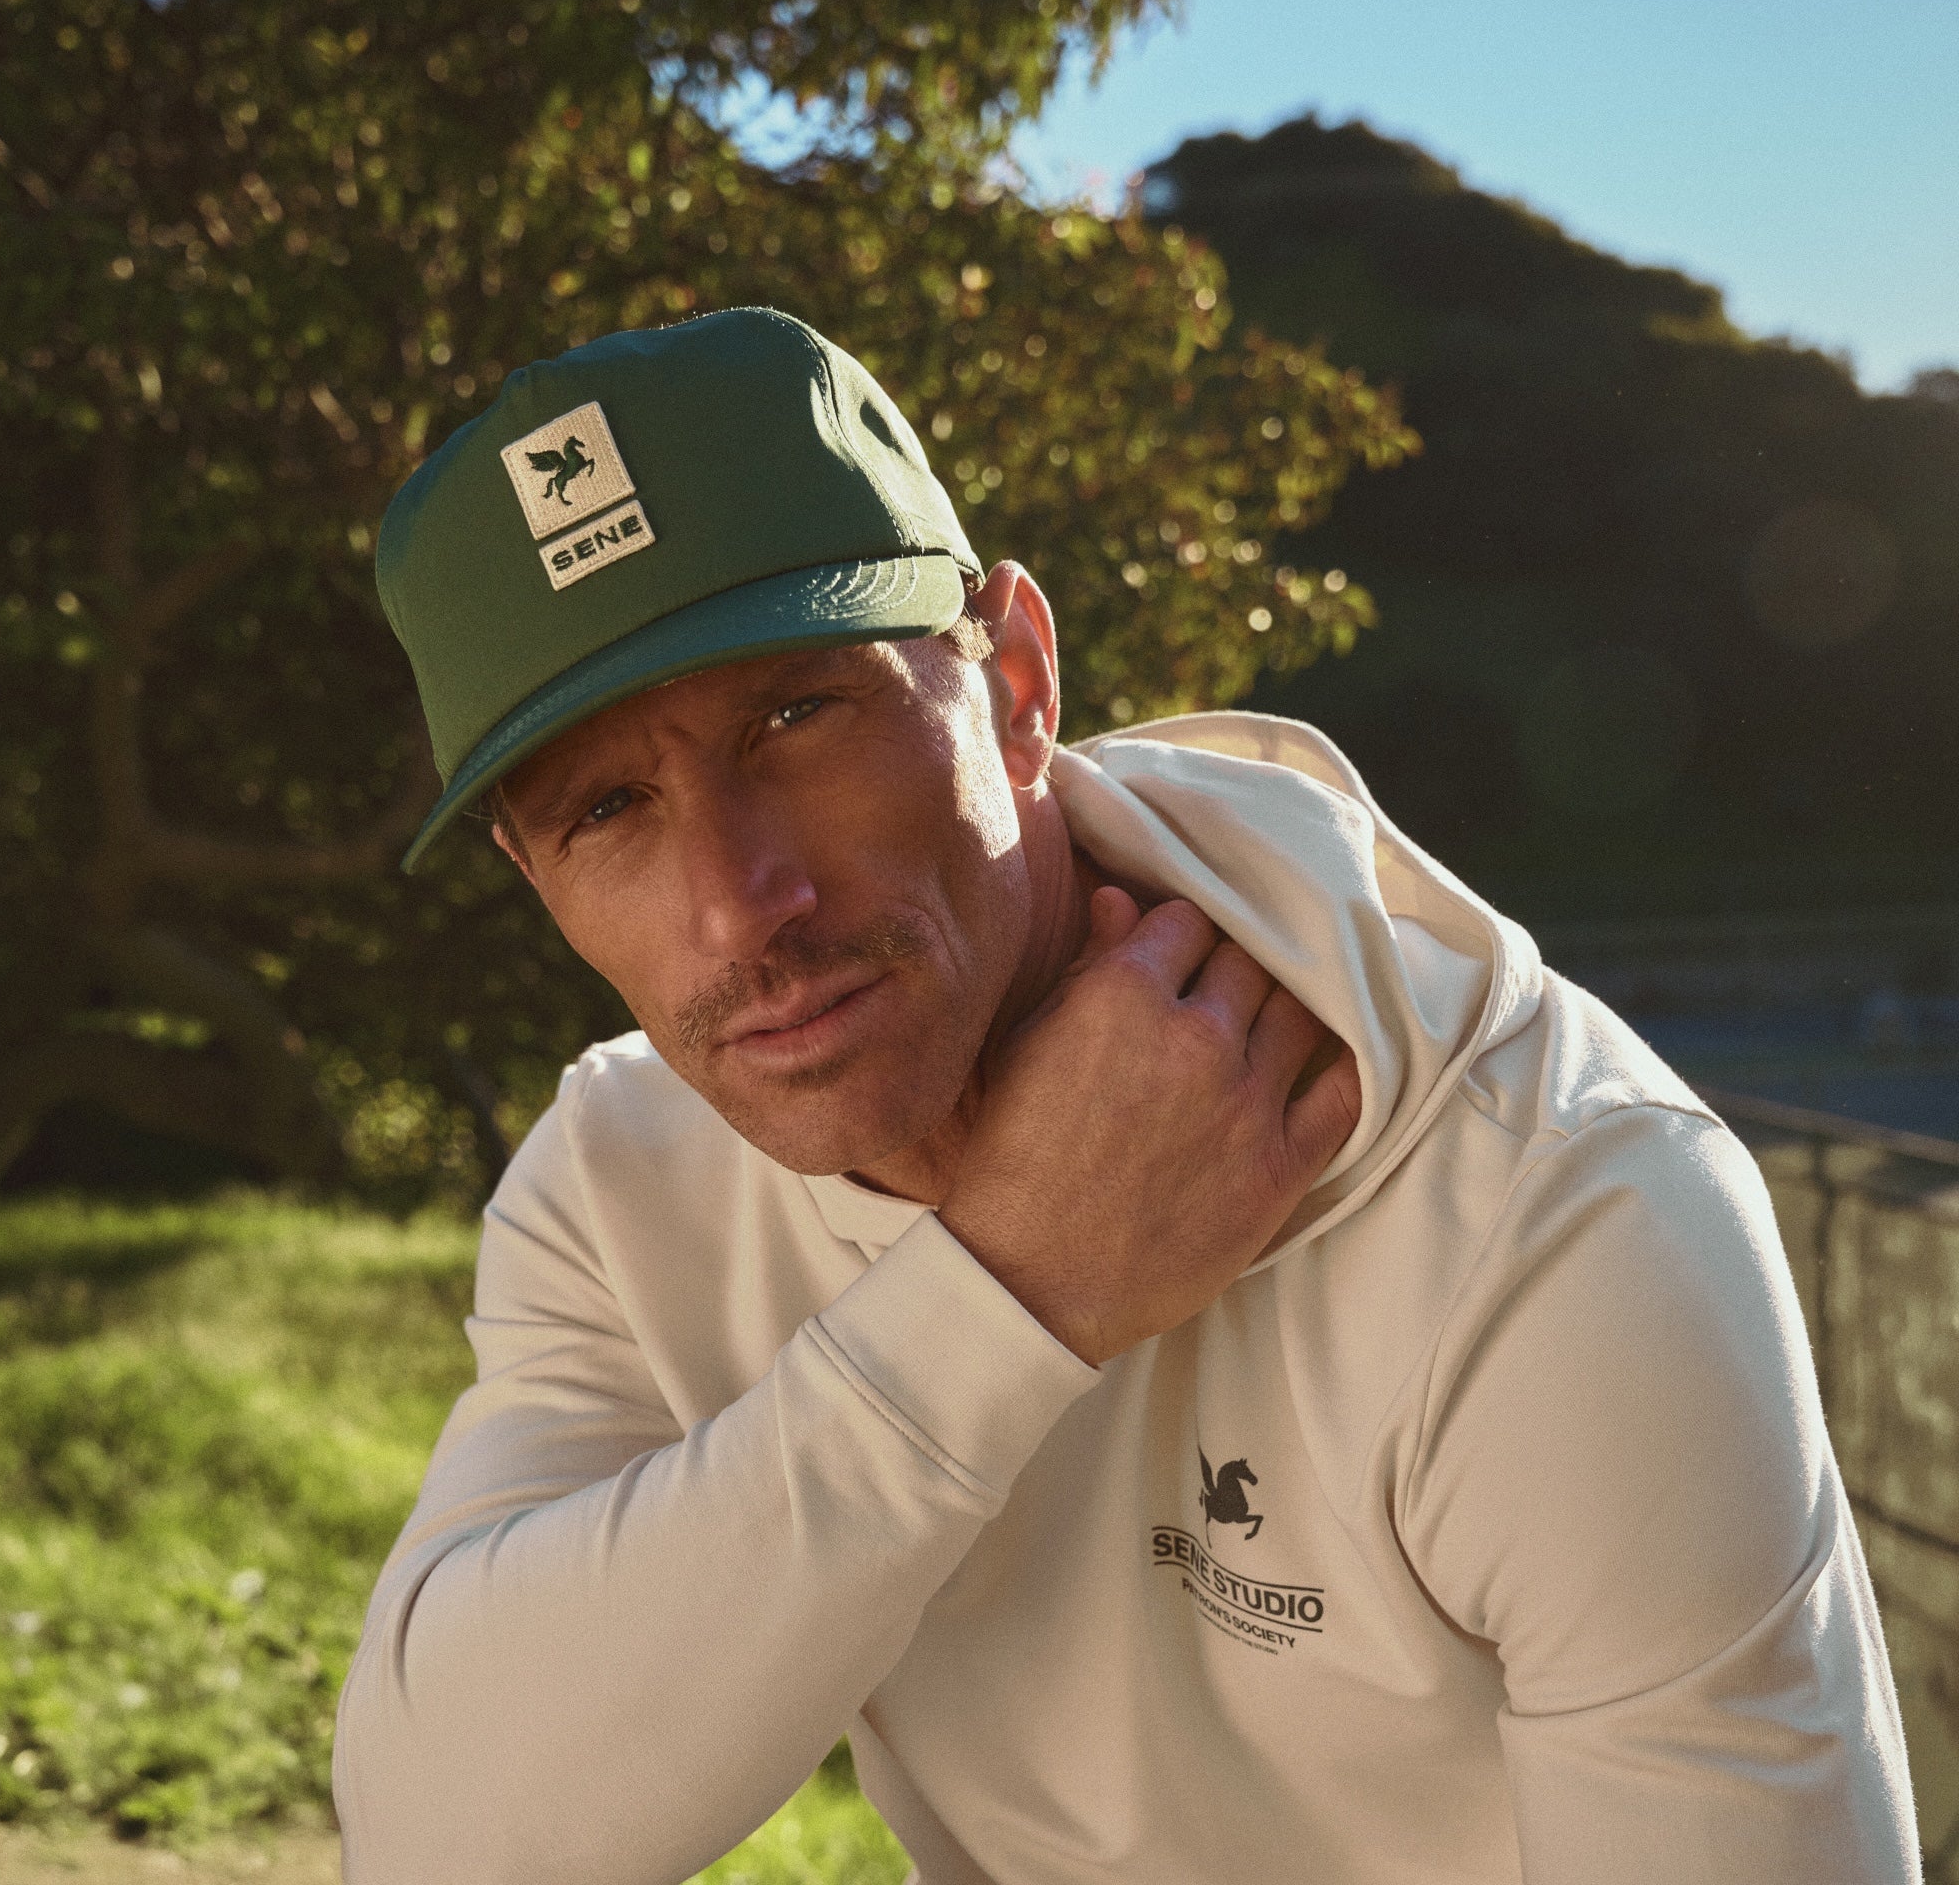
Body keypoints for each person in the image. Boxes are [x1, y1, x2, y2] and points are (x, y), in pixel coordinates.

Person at [337, 307, 1918, 1884]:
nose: (740, 904)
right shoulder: (623, 1175)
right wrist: (1012, 1293)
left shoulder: (1553, 1202)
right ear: (530, 873)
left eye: (796, 716)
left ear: (1015, 679)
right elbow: (442, 1841)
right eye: (607, 806)